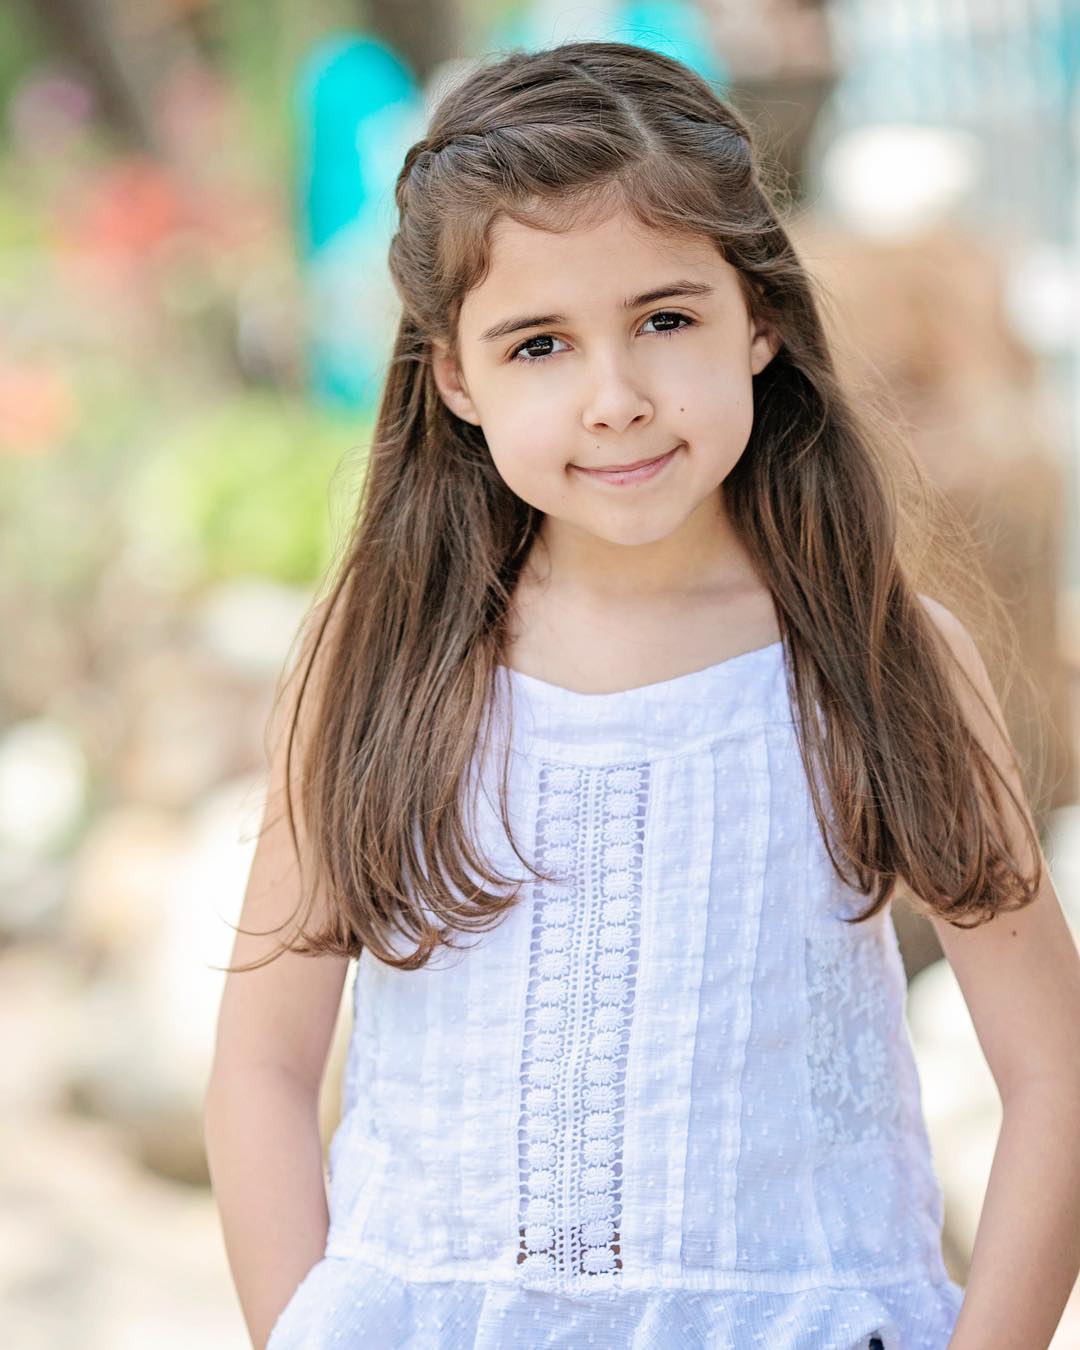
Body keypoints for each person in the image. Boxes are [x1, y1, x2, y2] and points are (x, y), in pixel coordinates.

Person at [202, 40, 1080, 1350]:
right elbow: (264, 1066)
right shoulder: (375, 662)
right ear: (455, 376)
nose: (615, 400)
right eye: (539, 343)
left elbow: (1055, 1071)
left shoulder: (875, 658)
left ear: (758, 317)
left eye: (665, 320)